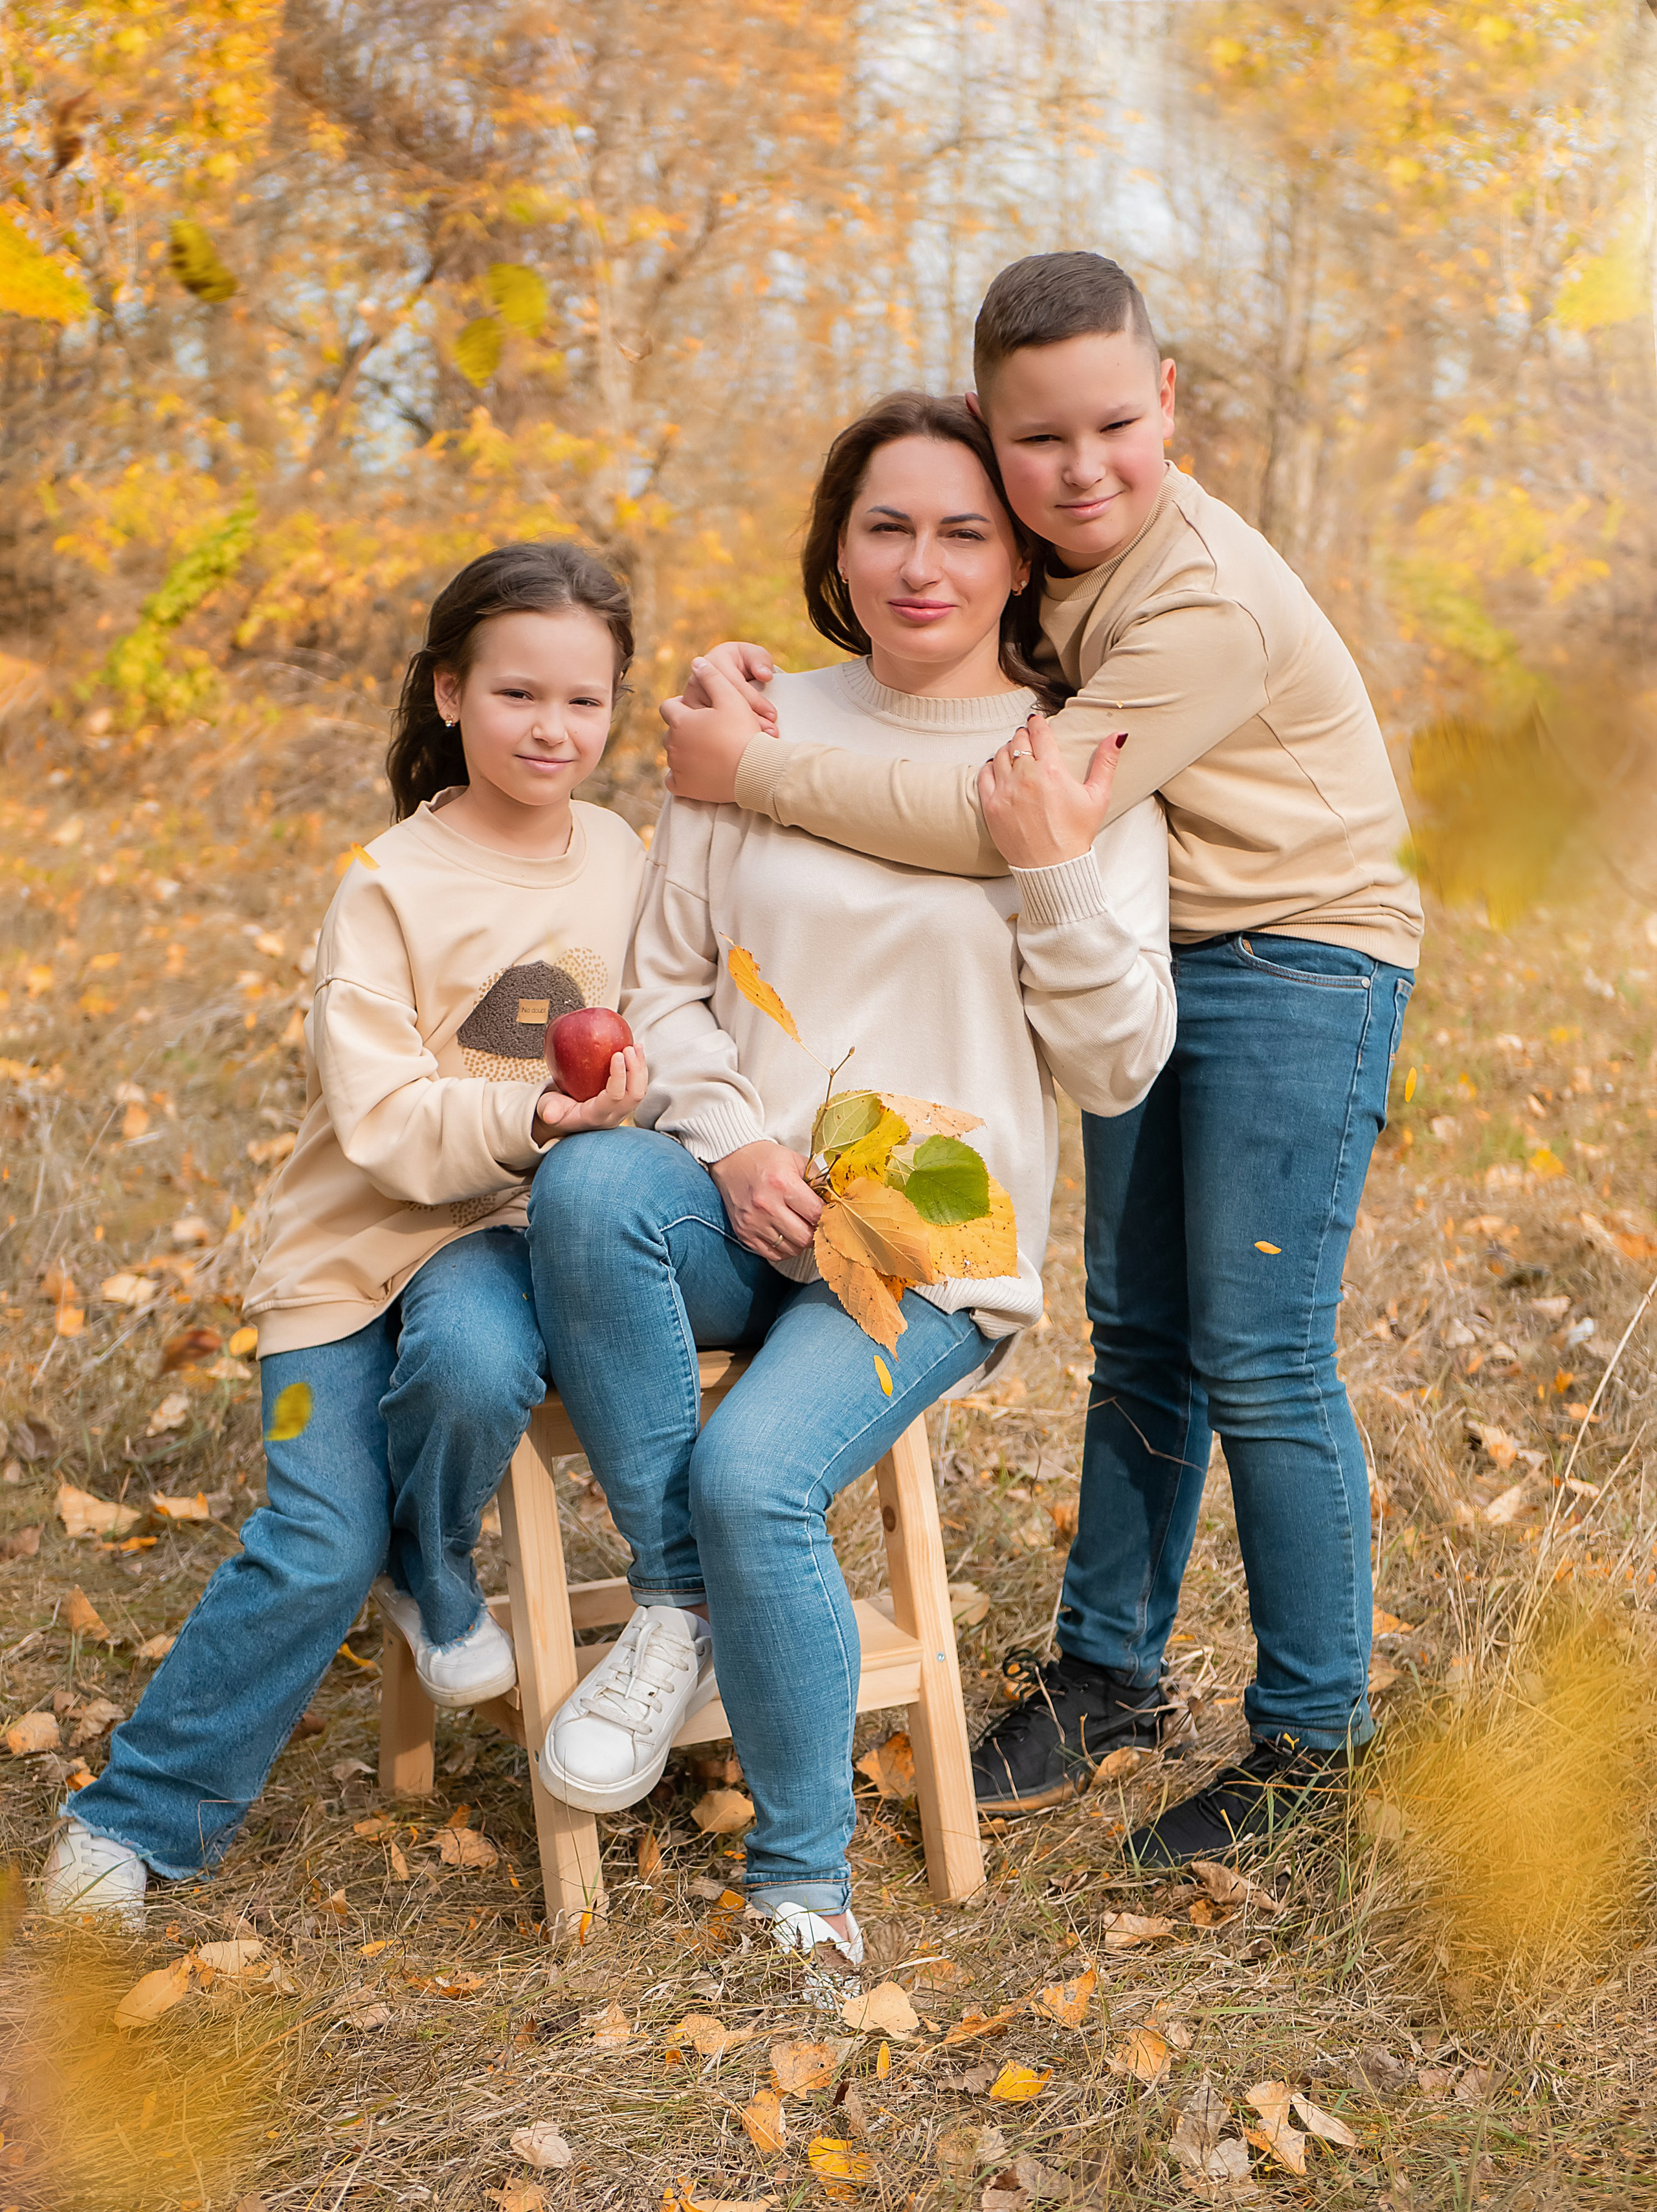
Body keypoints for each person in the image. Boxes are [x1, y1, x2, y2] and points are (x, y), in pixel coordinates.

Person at [664, 252, 1422, 1868]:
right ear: (994, 442)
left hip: (1298, 952)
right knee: (1141, 1327)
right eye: (1037, 441)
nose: (1080, 469)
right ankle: (1107, 1672)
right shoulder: (1056, 562)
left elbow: (993, 818)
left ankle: (1314, 1737)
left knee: (1258, 1349)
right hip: (1150, 947)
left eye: (1109, 427)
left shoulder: (1196, 599)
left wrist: (758, 765)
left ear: (1170, 402)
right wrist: (765, 677)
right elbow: (931, 698)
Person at [526, 391, 1174, 1970]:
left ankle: (799, 1884)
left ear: (1018, 556)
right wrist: (735, 1140)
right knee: (587, 1194)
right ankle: (673, 1606)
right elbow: (666, 982)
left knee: (759, 1471)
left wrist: (1049, 864)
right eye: (885, 524)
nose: (921, 563)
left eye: (963, 530)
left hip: (933, 1241)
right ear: (835, 543)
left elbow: (1117, 1063)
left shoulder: (1072, 757)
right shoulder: (749, 728)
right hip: (740, 1196)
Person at [42, 543, 649, 1926]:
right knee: (314, 1537)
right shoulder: (388, 882)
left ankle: (430, 1554)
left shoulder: (620, 854)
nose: (551, 727)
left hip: (493, 1232)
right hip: (341, 1253)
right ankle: (131, 1821)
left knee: (478, 1367)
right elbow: (378, 1122)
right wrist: (536, 1116)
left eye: (584, 701)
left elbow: (659, 1030)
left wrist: (615, 1106)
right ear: (448, 692)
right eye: (515, 693)